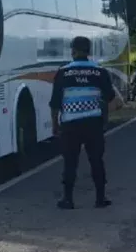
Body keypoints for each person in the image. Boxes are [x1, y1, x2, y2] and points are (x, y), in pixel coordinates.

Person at [50, 36, 124, 210]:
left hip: (70, 126)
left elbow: (55, 104)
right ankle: (100, 198)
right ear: (89, 51)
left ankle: (68, 199)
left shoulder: (63, 72)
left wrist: (55, 125)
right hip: (94, 124)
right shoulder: (99, 72)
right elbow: (112, 100)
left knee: (70, 162)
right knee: (96, 160)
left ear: (73, 51)